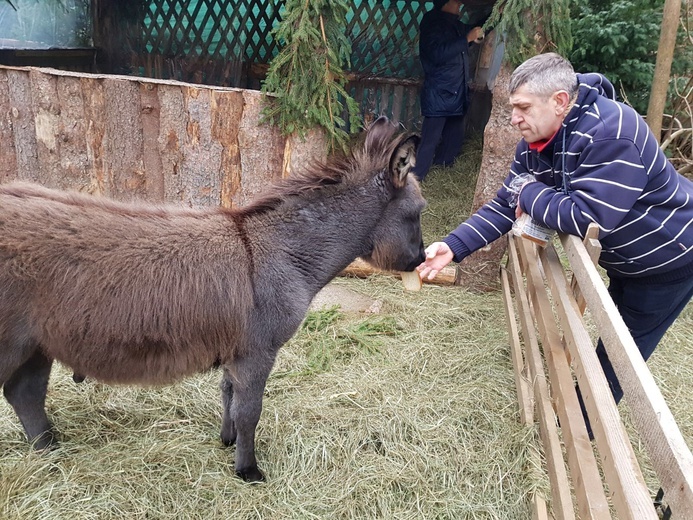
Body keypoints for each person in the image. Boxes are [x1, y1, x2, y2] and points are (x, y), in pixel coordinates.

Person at [417, 52, 693, 434]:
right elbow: (504, 202)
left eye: (523, 108)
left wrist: (530, 194)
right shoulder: (537, 142)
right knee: (612, 327)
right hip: (623, 256)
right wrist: (453, 246)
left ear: (560, 101)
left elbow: (588, 218)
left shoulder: (614, 132)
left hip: (668, 255)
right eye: (514, 108)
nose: (514, 118)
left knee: (622, 348)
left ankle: (581, 428)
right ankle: (579, 414)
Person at [412, 0, 484, 181]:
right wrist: (466, 39)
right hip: (439, 91)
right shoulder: (432, 23)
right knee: (430, 140)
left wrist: (493, 18)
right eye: (456, 3)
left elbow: (472, 30)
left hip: (456, 90)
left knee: (454, 137)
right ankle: (416, 178)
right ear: (444, 4)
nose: (460, 7)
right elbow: (437, 54)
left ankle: (443, 168)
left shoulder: (454, 24)